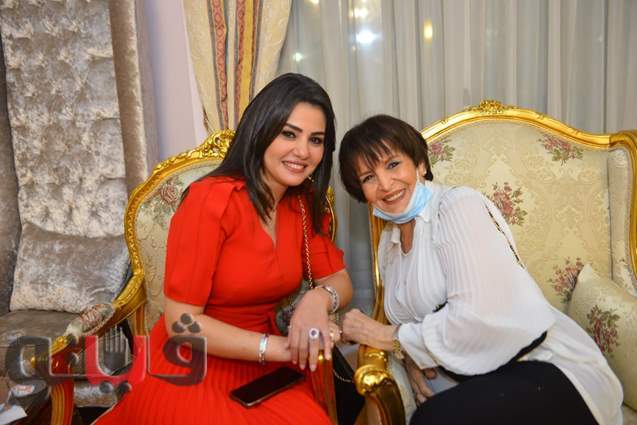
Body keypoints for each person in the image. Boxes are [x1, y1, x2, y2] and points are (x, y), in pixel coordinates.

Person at [95, 73, 353, 424]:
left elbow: (340, 280)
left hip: (264, 365)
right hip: (191, 363)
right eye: (289, 134)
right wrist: (279, 347)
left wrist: (318, 300)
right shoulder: (211, 201)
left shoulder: (303, 202)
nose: (303, 151)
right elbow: (182, 324)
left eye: (316, 140)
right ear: (260, 131)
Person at [337, 114, 623, 425]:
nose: (384, 184)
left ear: (419, 163)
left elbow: (473, 320)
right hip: (477, 380)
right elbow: (410, 323)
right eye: (368, 177)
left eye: (393, 164)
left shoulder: (456, 206)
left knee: (432, 420)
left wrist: (388, 337)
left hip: (543, 366)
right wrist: (408, 357)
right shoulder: (389, 244)